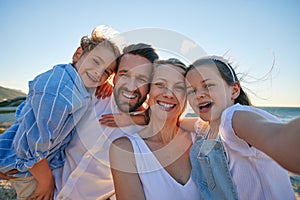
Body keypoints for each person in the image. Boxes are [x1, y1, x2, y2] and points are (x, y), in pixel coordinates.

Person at [0, 25, 120, 200]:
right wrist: (45, 182)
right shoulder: (58, 95)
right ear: (78, 53)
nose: (98, 72)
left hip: (35, 163)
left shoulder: (76, 80)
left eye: (106, 72)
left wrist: (104, 83)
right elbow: (31, 147)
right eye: (96, 61)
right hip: (27, 170)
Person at [54, 43, 159, 200]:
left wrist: (140, 118)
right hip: (47, 192)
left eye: (142, 79)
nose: (131, 86)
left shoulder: (150, 130)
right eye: (124, 74)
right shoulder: (91, 97)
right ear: (114, 77)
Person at [185, 55, 297, 199]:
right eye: (191, 91)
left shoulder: (234, 118)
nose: (198, 95)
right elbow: (178, 122)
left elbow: (277, 137)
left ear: (234, 90)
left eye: (207, 85)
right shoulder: (205, 127)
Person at [109, 58, 201, 200]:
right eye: (160, 84)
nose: (169, 94)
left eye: (179, 87)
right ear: (149, 91)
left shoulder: (201, 139)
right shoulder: (125, 150)